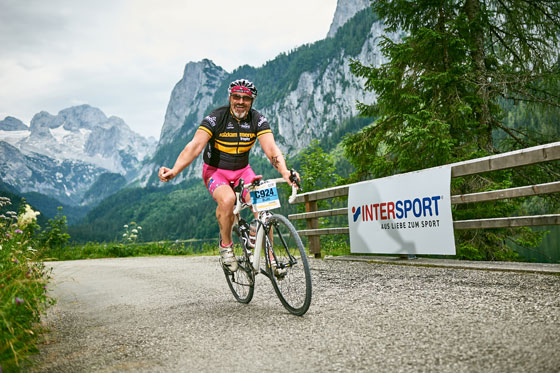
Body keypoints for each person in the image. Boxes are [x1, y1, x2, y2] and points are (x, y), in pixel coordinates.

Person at [159, 79, 299, 272]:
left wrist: (285, 173)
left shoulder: (257, 120)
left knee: (263, 205)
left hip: (243, 171)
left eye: (246, 98)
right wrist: (175, 170)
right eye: (236, 97)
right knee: (228, 199)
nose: (240, 102)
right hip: (216, 172)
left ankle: (270, 255)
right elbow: (195, 146)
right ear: (230, 97)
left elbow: (271, 149)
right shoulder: (217, 117)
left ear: (252, 101)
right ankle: (226, 246)